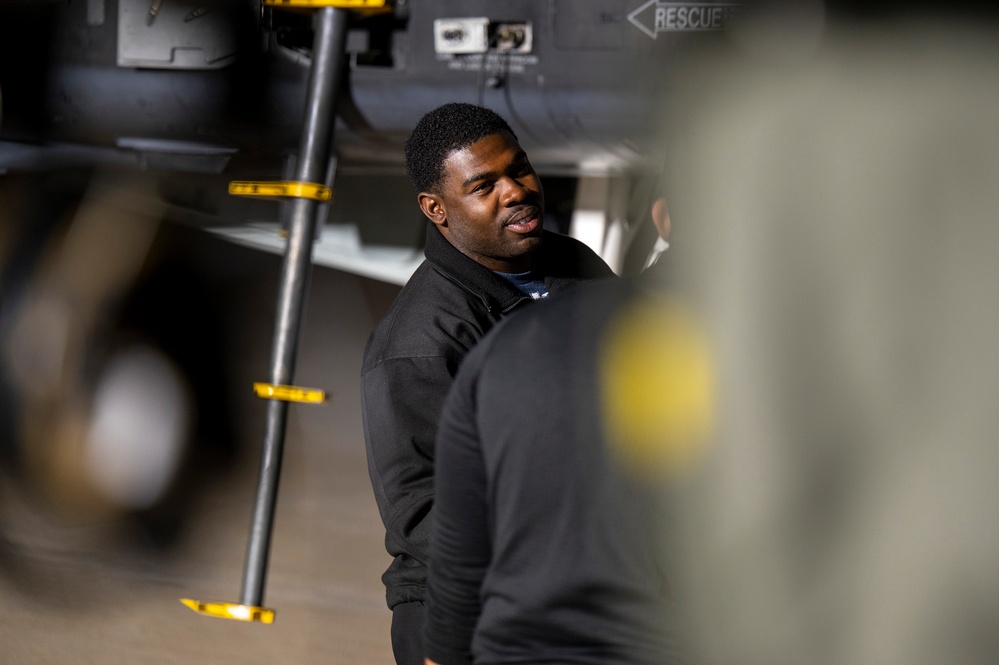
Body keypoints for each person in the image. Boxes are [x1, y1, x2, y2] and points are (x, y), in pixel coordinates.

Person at [360, 102, 615, 665]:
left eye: (518, 168)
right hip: (466, 616)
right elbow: (424, 514)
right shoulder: (418, 346)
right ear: (437, 208)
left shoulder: (572, 265)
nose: (516, 191)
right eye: (484, 186)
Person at [421, 188, 700, 664]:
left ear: (662, 216)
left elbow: (456, 577)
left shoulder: (505, 347)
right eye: (482, 186)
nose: (514, 192)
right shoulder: (817, 369)